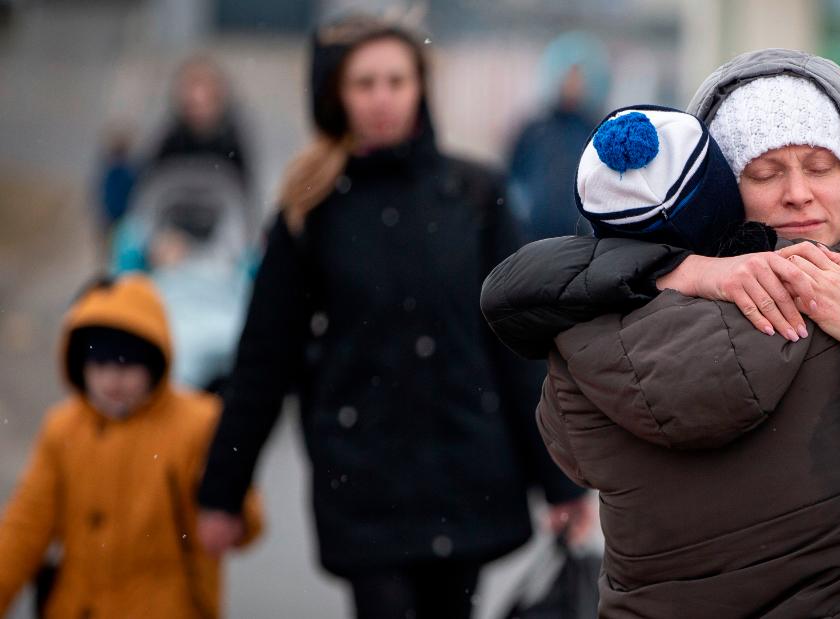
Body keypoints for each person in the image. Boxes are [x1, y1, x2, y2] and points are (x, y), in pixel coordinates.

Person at [482, 49, 840, 618]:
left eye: (821, 165)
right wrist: (680, 270)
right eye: (765, 172)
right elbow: (518, 288)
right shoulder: (659, 300)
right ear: (721, 192)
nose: (799, 192)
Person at [194, 14, 591, 619]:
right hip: (363, 477)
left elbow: (521, 350)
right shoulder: (311, 210)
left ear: (419, 88)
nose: (382, 98)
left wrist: (561, 480)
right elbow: (263, 360)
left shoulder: (475, 194)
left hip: (465, 466)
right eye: (365, 83)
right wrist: (222, 491)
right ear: (336, 94)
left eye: (396, 81)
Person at [0, 274, 264, 618]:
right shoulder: (63, 429)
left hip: (169, 607)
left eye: (126, 364)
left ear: (155, 361)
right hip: (76, 606)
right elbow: (25, 525)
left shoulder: (197, 424)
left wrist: (231, 514)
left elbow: (241, 503)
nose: (111, 380)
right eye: (99, 364)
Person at [506, 31, 610, 242]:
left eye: (579, 76)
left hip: (581, 239)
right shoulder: (534, 130)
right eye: (568, 75)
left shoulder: (597, 130)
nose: (573, 83)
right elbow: (512, 178)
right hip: (534, 236)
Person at [152, 55, 251, 184]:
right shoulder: (170, 140)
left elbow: (243, 189)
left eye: (206, 101)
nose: (198, 109)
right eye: (192, 103)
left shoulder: (232, 142)